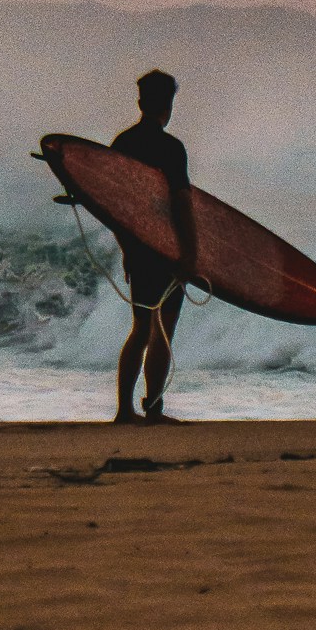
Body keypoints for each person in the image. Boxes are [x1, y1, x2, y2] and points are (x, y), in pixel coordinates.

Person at [110, 67, 199, 424]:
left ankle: (123, 410)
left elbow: (112, 206)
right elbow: (182, 202)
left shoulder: (122, 144)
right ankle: (154, 409)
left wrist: (127, 248)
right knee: (163, 328)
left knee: (141, 328)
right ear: (170, 105)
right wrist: (189, 254)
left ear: (140, 101)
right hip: (166, 248)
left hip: (138, 246)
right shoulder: (171, 148)